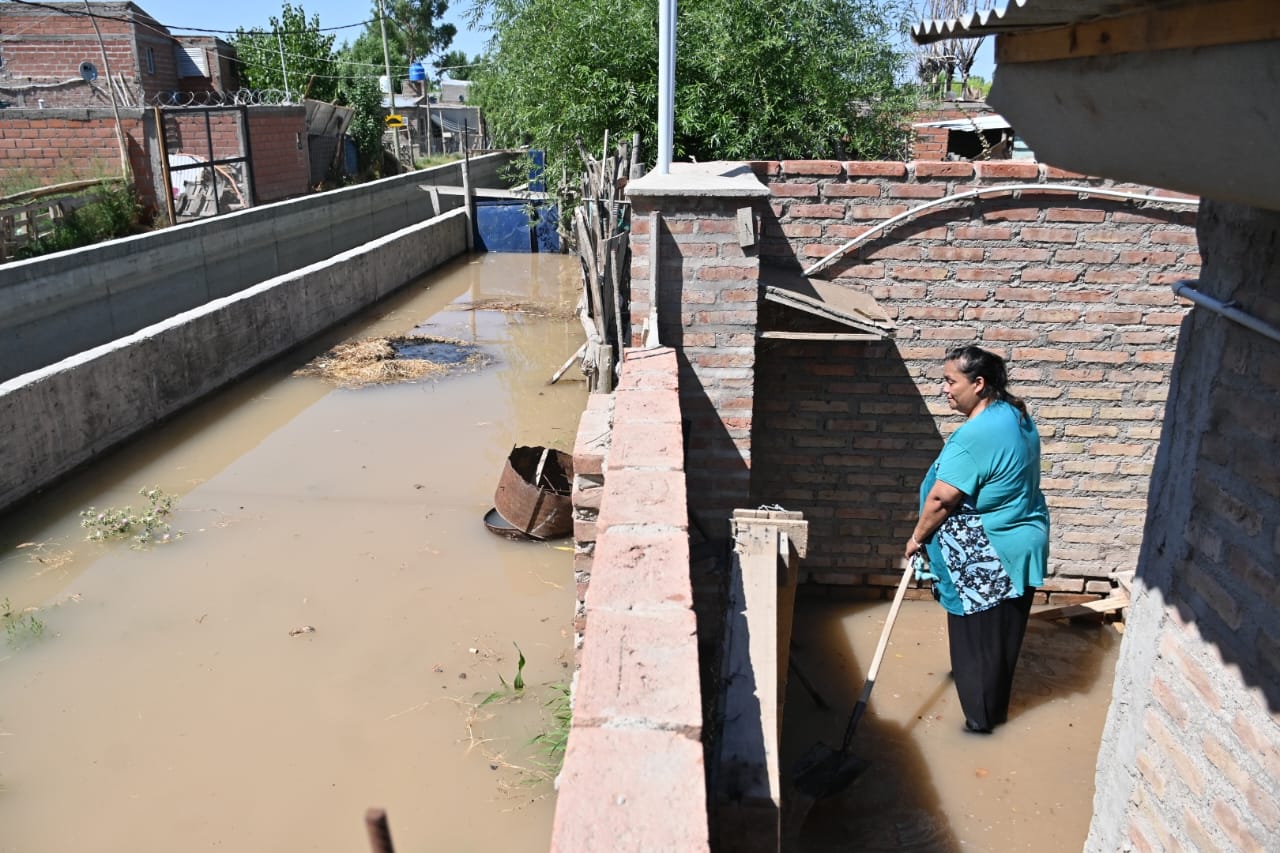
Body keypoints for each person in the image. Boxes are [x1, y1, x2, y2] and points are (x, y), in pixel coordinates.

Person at [904, 345, 1049, 734]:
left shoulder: (976, 435)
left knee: (978, 648)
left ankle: (980, 727)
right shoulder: (1014, 415)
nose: (945, 389)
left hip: (986, 556)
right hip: (1016, 541)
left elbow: (941, 498)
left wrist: (917, 538)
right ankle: (984, 697)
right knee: (997, 645)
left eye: (951, 381)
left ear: (979, 384)